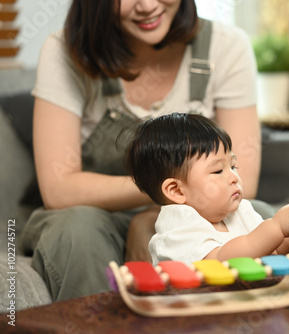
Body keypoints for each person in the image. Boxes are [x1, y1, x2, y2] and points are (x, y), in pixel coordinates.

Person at [19, 0, 262, 302]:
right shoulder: (65, 51)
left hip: (196, 212)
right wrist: (155, 198)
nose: (147, 6)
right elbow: (58, 188)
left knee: (261, 217)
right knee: (76, 231)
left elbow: (243, 180)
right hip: (98, 218)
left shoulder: (227, 46)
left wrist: (154, 219)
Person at [127, 113, 289, 265]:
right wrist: (277, 226)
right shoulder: (177, 225)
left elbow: (274, 252)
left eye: (233, 166)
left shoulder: (239, 211)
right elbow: (220, 260)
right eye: (218, 171)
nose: (234, 177)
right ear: (177, 191)